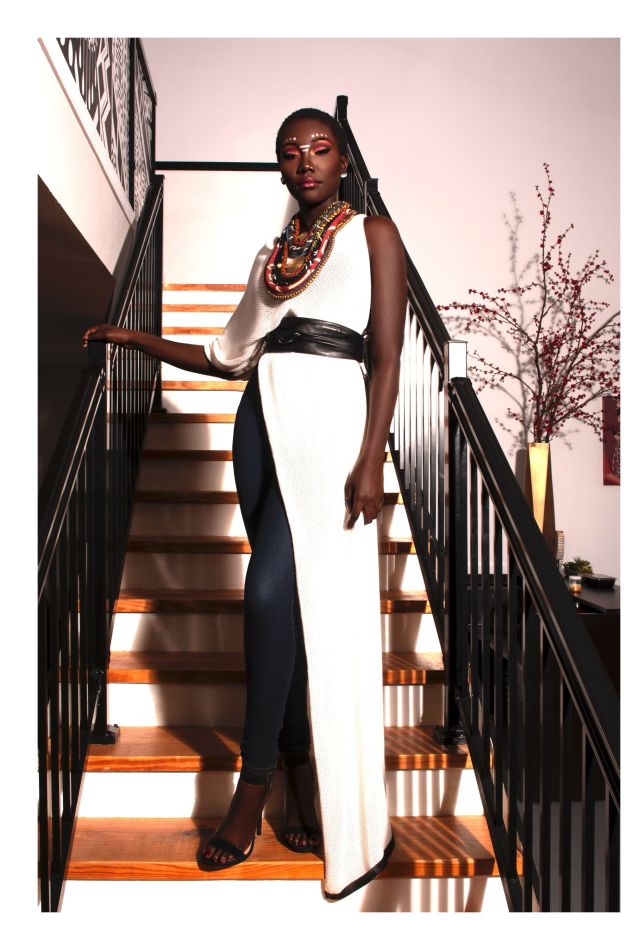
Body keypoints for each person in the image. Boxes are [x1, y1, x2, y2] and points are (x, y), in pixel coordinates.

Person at [82, 106, 407, 902]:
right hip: (261, 423)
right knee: (277, 599)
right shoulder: (274, 255)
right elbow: (228, 355)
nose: (306, 161)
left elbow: (388, 354)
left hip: (332, 432)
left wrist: (372, 457)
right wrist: (137, 340)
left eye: (321, 148)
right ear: (279, 166)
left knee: (266, 594)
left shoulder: (374, 234)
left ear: (342, 160)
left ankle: (254, 783)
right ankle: (294, 762)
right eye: (290, 152)